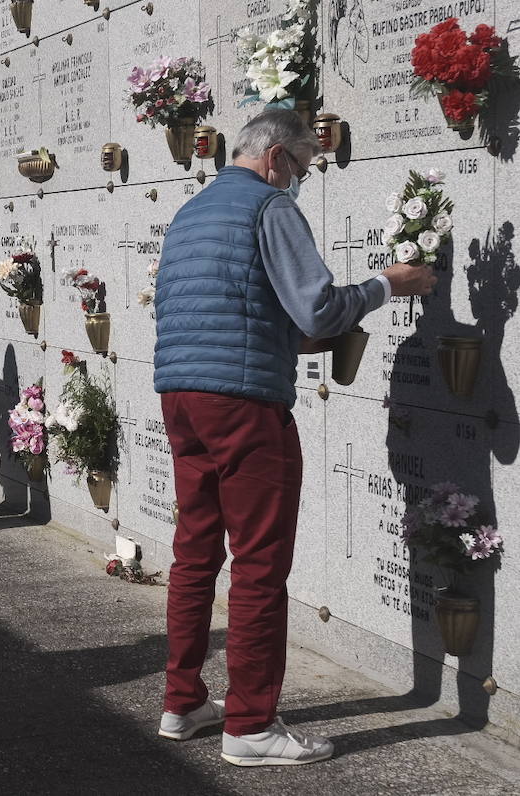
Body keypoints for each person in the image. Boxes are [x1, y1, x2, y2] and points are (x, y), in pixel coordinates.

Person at [152, 108, 438, 766]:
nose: (301, 181)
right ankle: (250, 727)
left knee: (195, 552)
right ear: (276, 157)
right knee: (259, 563)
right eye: (302, 168)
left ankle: (183, 700)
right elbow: (317, 308)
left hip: (181, 396)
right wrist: (384, 285)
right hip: (245, 405)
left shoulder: (192, 214)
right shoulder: (268, 207)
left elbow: (230, 306)